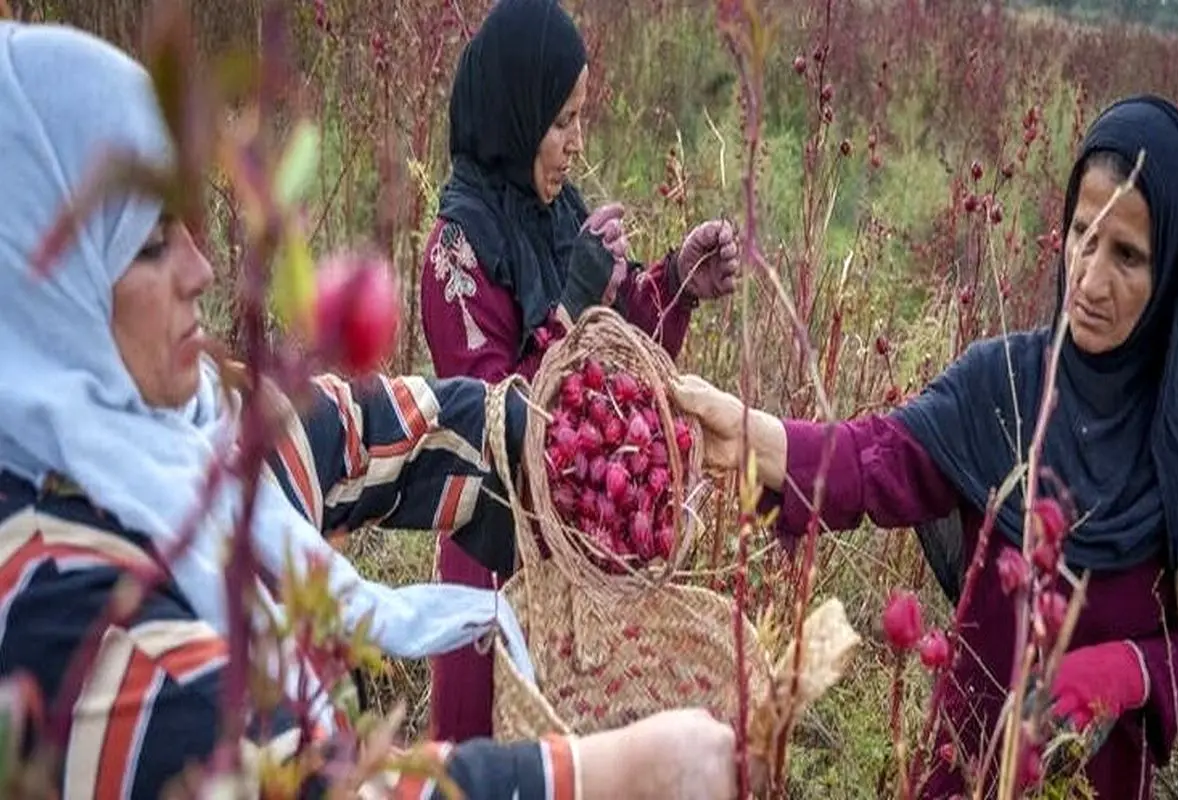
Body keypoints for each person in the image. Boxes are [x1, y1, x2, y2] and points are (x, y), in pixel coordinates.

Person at [0, 20, 746, 799]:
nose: (201, 267)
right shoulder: (81, 631)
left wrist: (570, 441)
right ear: (36, 286)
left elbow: (359, 430)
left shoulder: (175, 436)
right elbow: (309, 785)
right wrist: (603, 776)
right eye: (149, 245)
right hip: (492, 575)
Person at [672, 94, 1178, 799]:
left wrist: (1127, 671)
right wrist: (749, 435)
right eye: (1083, 233)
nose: (1091, 278)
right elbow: (873, 458)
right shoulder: (1004, 386)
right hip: (965, 774)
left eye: (1129, 256)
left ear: (1175, 278)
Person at [419, 0, 741, 744]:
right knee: (485, 754)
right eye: (561, 121)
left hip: (577, 559)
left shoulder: (561, 214)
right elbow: (495, 421)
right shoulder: (457, 252)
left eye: (579, 118)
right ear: (517, 110)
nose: (574, 143)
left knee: (567, 752)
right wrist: (567, 300)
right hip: (494, 559)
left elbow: (616, 372)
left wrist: (674, 282)